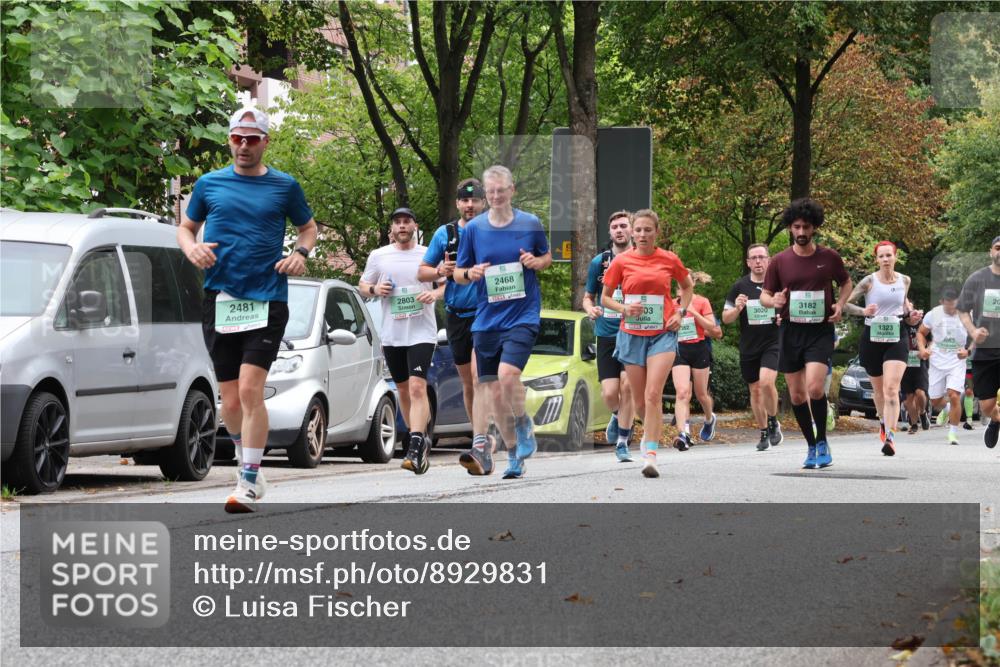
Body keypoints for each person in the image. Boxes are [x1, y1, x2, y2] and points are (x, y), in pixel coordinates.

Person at [178, 108, 318, 513]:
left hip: (267, 298)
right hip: (220, 299)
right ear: (229, 140)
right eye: (238, 138)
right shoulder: (209, 184)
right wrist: (192, 248)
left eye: (252, 139)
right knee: (230, 400)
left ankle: (250, 478)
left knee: (250, 389)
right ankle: (248, 463)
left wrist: (300, 254)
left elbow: (308, 228)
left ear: (265, 142)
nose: (243, 145)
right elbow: (186, 228)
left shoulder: (284, 186)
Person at [454, 165, 551, 478]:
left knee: (508, 376)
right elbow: (458, 272)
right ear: (486, 193)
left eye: (501, 190)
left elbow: (546, 258)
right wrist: (470, 274)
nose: (495, 196)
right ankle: (513, 455)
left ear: (512, 190)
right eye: (490, 191)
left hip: (522, 314)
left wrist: (536, 262)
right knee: (494, 394)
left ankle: (523, 423)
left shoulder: (530, 223)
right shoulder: (473, 230)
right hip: (487, 319)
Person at [601, 209, 694, 478]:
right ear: (632, 232)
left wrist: (680, 312)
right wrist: (624, 309)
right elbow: (605, 298)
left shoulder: (668, 259)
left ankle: (651, 455)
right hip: (631, 334)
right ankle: (647, 436)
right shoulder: (621, 262)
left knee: (654, 394)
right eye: (638, 230)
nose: (642, 235)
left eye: (648, 230)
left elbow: (687, 288)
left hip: (662, 333)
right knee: (641, 401)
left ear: (657, 232)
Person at [760, 198, 852, 470]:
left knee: (814, 387)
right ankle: (811, 445)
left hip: (819, 331)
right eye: (797, 227)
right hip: (790, 330)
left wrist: (840, 305)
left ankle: (823, 442)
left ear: (815, 228)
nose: (801, 232)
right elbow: (765, 296)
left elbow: (846, 283)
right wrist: (773, 301)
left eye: (807, 227)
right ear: (790, 228)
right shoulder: (779, 261)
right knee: (797, 395)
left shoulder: (829, 257)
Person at [360, 208, 441, 474]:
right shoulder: (379, 256)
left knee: (418, 388)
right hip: (393, 335)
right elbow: (363, 286)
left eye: (407, 221)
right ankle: (422, 438)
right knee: (404, 391)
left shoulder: (428, 255)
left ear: (415, 226)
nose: (402, 226)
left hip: (422, 332)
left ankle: (415, 445)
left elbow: (447, 282)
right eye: (398, 222)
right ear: (392, 229)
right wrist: (376, 289)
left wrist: (435, 295)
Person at [418, 179, 488, 425]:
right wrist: (440, 271)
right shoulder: (445, 234)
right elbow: (422, 272)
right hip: (457, 315)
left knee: (479, 377)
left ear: (484, 202)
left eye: (475, 200)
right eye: (465, 200)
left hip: (486, 313)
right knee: (468, 383)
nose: (470, 205)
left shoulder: (493, 231)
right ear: (458, 203)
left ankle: (484, 437)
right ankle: (478, 433)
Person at [844, 241, 923, 456]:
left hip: (897, 335)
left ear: (896, 257)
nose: (886, 259)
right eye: (881, 256)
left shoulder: (904, 280)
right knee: (878, 391)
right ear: (876, 259)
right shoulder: (869, 281)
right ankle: (882, 421)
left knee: (891, 389)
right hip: (872, 337)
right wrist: (864, 311)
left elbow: (904, 309)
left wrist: (911, 316)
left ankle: (890, 436)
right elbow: (844, 303)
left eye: (889, 255)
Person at [583, 210, 636, 462]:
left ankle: (623, 441)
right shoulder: (599, 262)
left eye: (623, 225)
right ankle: (617, 414)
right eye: (614, 226)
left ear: (632, 229)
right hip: (605, 334)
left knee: (628, 386)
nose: (619, 230)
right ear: (610, 232)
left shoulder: (642, 259)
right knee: (609, 393)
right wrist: (590, 309)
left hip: (634, 333)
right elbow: (588, 297)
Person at [723, 244, 784, 451]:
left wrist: (781, 318)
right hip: (749, 346)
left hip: (772, 343)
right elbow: (726, 318)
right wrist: (738, 308)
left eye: (761, 257)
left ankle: (774, 420)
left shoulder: (779, 285)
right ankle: (763, 430)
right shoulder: (739, 287)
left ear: (769, 260)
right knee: (755, 390)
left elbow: (790, 312)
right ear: (748, 262)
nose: (758, 262)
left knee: (766, 383)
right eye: (754, 258)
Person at [670, 271, 722, 451]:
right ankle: (683, 433)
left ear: (693, 284)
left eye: (685, 283)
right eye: (678, 283)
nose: (681, 287)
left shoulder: (702, 302)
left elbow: (712, 327)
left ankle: (709, 418)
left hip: (699, 348)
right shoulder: (670, 303)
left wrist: (692, 312)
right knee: (682, 393)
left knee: (701, 395)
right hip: (678, 350)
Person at [957, 235, 1000, 448]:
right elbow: (962, 310)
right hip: (985, 350)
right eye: (998, 248)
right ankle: (995, 420)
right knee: (986, 406)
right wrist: (973, 332)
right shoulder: (977, 278)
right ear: (990, 252)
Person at [917, 287, 970, 445]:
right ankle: (946, 410)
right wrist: (922, 349)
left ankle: (953, 433)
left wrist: (967, 351)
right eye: (949, 305)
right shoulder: (933, 314)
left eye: (955, 305)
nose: (952, 308)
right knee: (934, 401)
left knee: (954, 394)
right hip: (937, 360)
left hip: (956, 360)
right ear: (942, 302)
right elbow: (921, 333)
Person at [900, 310, 931, 434]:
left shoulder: (923, 325)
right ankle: (913, 424)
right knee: (908, 398)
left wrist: (925, 351)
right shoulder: (901, 325)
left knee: (920, 393)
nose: (916, 317)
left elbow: (932, 342)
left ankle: (923, 413)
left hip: (920, 363)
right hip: (904, 365)